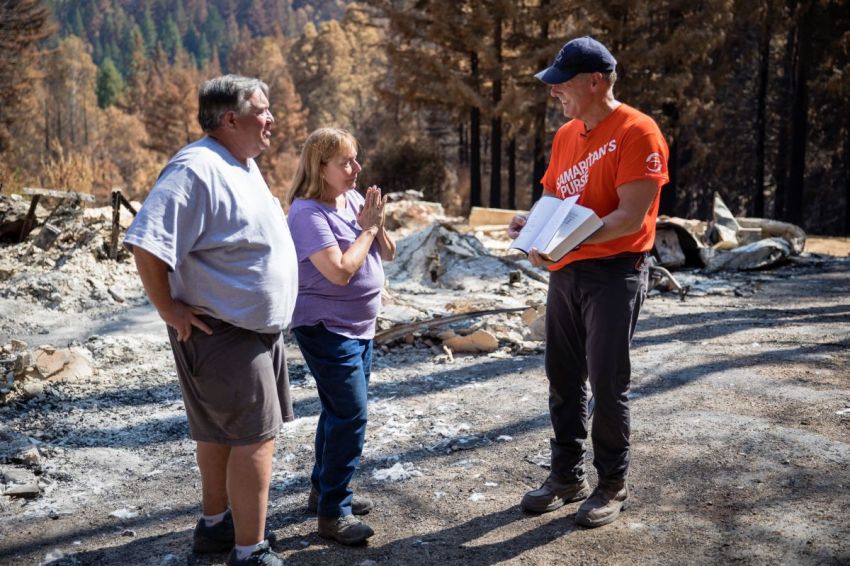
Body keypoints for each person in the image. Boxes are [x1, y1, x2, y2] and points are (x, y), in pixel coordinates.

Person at [124, 75, 296, 566]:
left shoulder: (239, 163)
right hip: (225, 333)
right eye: (263, 110)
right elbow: (146, 240)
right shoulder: (195, 167)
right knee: (252, 440)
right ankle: (249, 550)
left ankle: (218, 527)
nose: (271, 119)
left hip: (247, 330)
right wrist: (168, 308)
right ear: (230, 119)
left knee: (221, 434)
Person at [509, 36, 669, 528]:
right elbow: (556, 201)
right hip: (567, 271)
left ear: (595, 82)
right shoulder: (566, 136)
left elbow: (628, 216)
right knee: (562, 375)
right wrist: (531, 228)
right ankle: (565, 476)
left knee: (606, 381)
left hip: (614, 272)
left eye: (562, 84)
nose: (554, 93)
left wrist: (568, 241)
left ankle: (611, 484)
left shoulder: (638, 132)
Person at [285, 127, 395, 545]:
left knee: (337, 411)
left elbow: (389, 252)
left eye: (356, 158)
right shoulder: (307, 213)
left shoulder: (350, 199)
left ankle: (323, 491)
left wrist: (377, 226)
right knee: (351, 413)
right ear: (320, 167)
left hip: (360, 326)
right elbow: (340, 271)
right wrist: (367, 230)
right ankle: (334, 513)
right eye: (346, 161)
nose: (356, 168)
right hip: (324, 327)